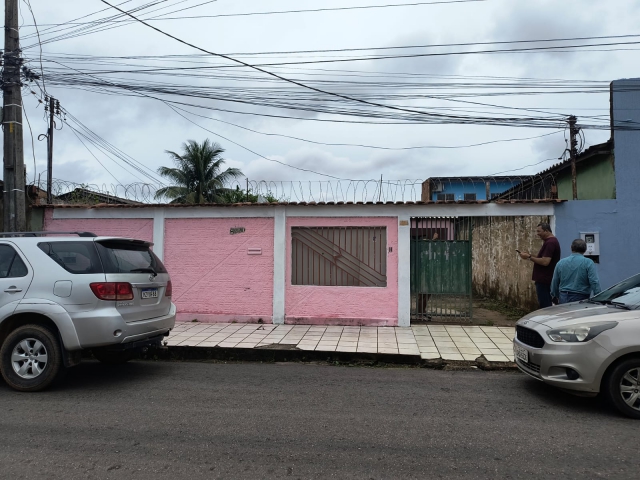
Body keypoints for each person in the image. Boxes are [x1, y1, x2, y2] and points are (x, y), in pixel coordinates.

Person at [518, 222, 561, 309]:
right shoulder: (550, 242)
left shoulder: (550, 243)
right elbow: (543, 258)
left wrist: (529, 257)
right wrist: (529, 255)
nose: (537, 234)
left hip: (545, 280)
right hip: (546, 279)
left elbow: (545, 262)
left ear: (546, 231)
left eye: (539, 231)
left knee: (545, 305)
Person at [551, 239, 601, 304]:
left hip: (563, 296)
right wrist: (599, 297)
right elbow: (594, 281)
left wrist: (554, 295)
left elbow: (555, 281)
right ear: (585, 249)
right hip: (581, 296)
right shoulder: (588, 262)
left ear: (571, 248)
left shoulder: (561, 262)